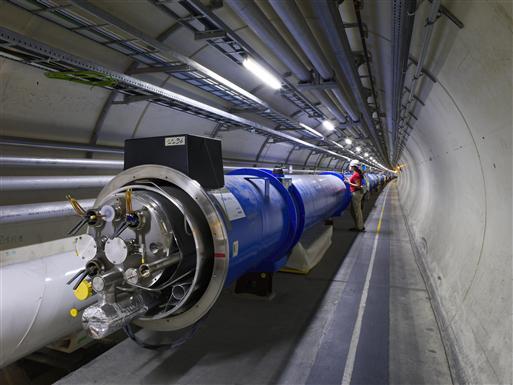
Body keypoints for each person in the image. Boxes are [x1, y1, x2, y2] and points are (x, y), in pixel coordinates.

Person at [345, 160, 365, 232]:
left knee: (357, 211)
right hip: (356, 193)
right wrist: (349, 180)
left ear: (353, 167)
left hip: (356, 194)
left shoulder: (356, 174)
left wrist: (348, 183)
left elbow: (358, 186)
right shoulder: (355, 174)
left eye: (350, 166)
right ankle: (357, 226)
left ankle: (360, 227)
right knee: (353, 211)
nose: (349, 167)